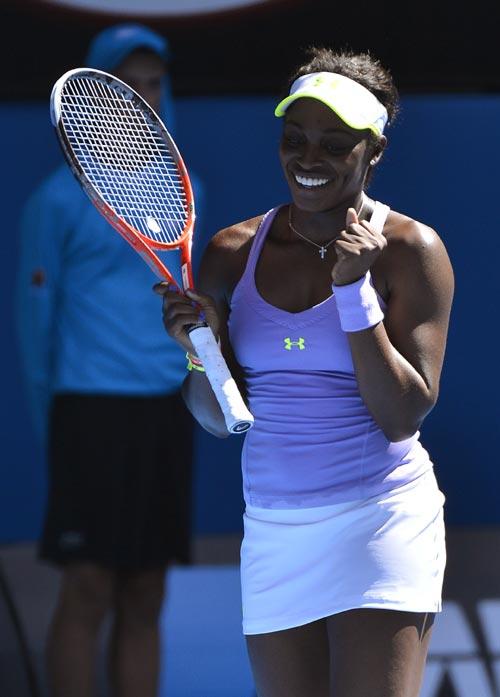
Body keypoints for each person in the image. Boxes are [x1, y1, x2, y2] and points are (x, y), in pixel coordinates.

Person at [158, 48, 454, 697]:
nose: (308, 158)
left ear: (373, 151)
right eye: (294, 140)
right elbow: (217, 418)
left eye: (333, 143)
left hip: (380, 519)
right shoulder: (232, 252)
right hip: (274, 529)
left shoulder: (412, 251)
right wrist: (198, 348)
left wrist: (354, 293)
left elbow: (402, 413)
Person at [16, 24, 204, 697]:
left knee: (146, 590)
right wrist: (56, 425)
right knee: (90, 586)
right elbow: (33, 327)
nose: (144, 96)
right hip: (89, 414)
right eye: (128, 84)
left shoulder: (184, 193)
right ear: (96, 100)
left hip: (163, 413)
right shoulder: (56, 200)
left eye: (154, 82)